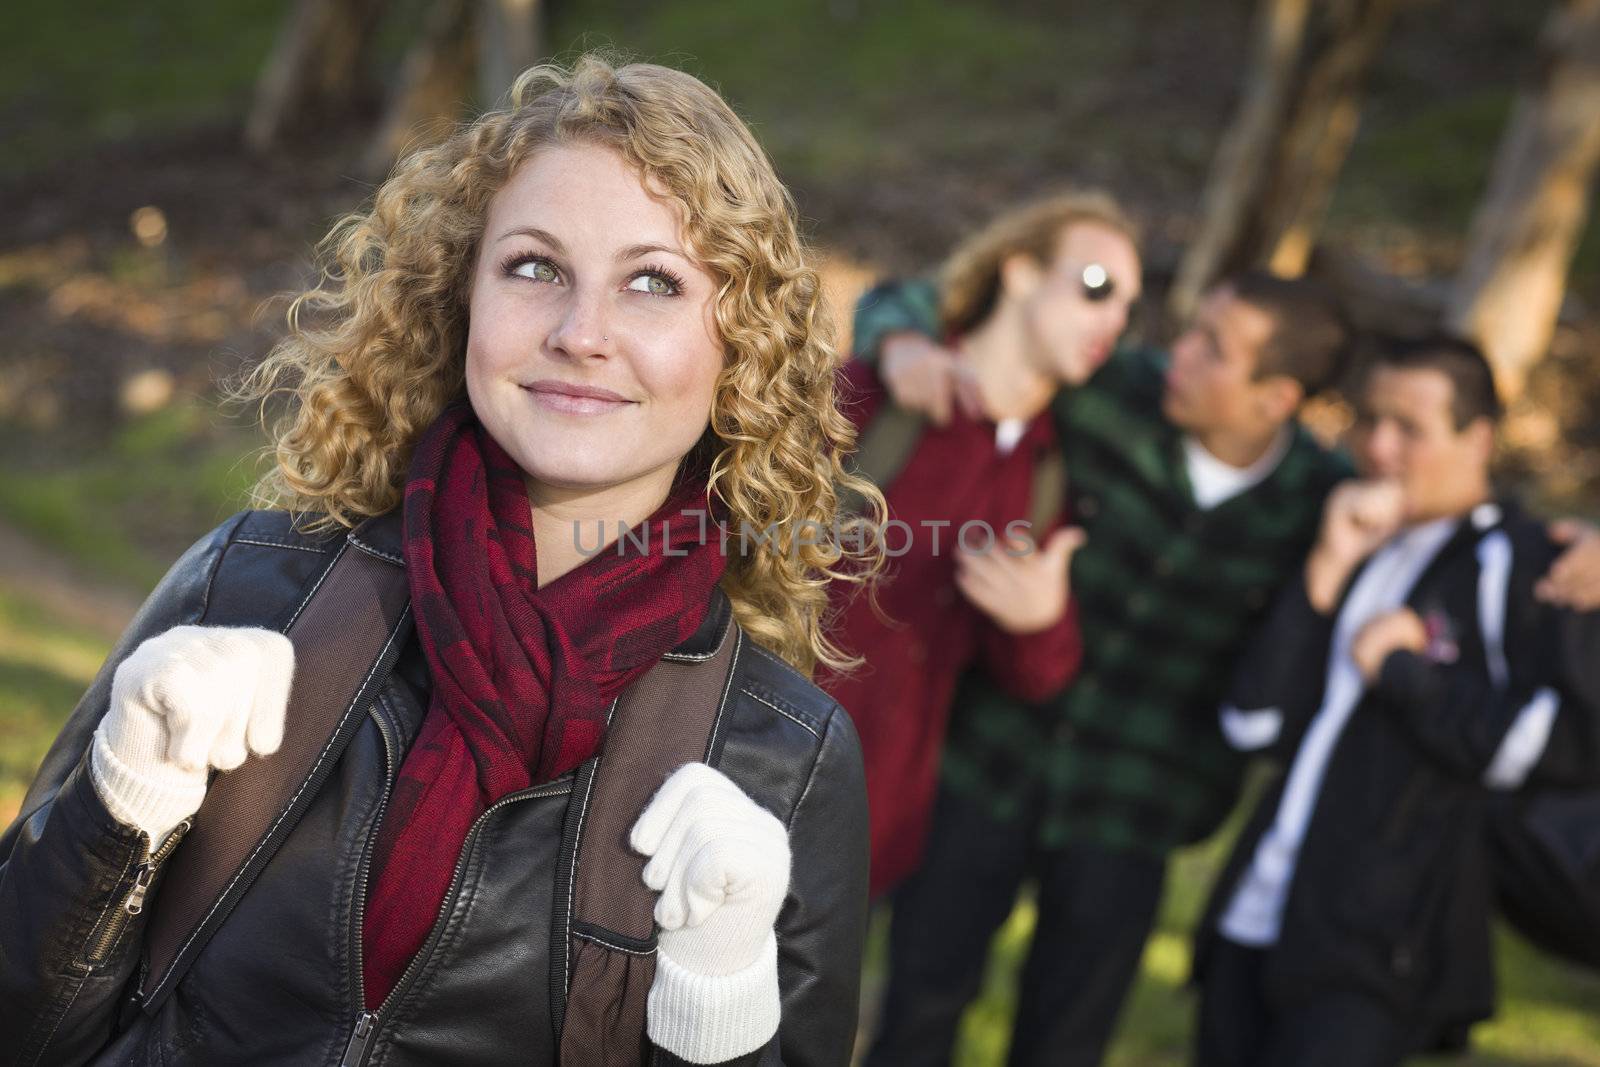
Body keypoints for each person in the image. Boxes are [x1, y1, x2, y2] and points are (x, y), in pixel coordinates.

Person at [0, 56, 878, 1066]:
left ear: (739, 347)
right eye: (535, 267)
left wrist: (716, 998)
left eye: (652, 282)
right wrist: (122, 803)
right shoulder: (244, 589)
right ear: (461, 300)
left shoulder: (785, 756)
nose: (581, 333)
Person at [859, 271, 1355, 1067]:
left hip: (1135, 810)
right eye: (1192, 330)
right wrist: (903, 341)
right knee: (917, 1012)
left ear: (1277, 399)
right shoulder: (1109, 394)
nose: (1178, 355)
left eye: (1213, 350)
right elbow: (929, 296)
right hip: (988, 760)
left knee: (1065, 1042)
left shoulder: (1319, 502)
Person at [1193, 334, 1600, 1067]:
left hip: (1378, 944)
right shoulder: (1350, 533)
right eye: (1368, 420)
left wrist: (1409, 672)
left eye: (1410, 428)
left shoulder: (1526, 563)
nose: (1379, 448)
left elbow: (1551, 748)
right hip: (1254, 909)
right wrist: (1327, 564)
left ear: (1478, 439)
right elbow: (1250, 724)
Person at [820, 191, 1141, 897]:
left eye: (1127, 306)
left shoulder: (1045, 472)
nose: (1113, 319)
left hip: (865, 836)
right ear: (1021, 272)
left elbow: (1039, 676)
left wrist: (1038, 621)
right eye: (1096, 287)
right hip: (730, 789)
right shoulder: (870, 395)